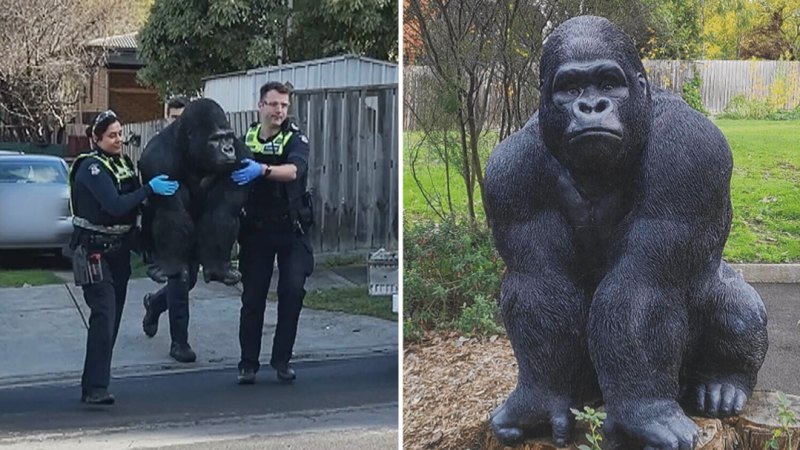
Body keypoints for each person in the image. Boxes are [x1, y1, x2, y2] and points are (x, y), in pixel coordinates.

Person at [69, 110, 178, 404]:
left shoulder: (123, 163)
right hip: (92, 250)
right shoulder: (90, 168)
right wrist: (147, 189)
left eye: (119, 133)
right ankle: (95, 388)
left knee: (112, 318)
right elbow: (115, 205)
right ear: (96, 138)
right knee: (103, 314)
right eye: (111, 135)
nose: (118, 140)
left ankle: (95, 382)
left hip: (119, 252)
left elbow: (133, 208)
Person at [231, 81, 314, 384]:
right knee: (253, 298)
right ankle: (247, 364)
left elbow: (293, 171)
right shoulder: (246, 139)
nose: (279, 110)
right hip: (256, 230)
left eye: (284, 105)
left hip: (291, 228)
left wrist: (262, 170)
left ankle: (282, 360)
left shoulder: (296, 138)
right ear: (261, 106)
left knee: (292, 293)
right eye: (274, 104)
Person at [140, 96, 198, 363]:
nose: (179, 123)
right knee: (180, 278)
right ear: (166, 119)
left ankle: (154, 304)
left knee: (190, 281)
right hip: (166, 226)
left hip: (193, 223)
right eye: (174, 118)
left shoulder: (198, 148)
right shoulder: (157, 149)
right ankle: (179, 343)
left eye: (183, 118)